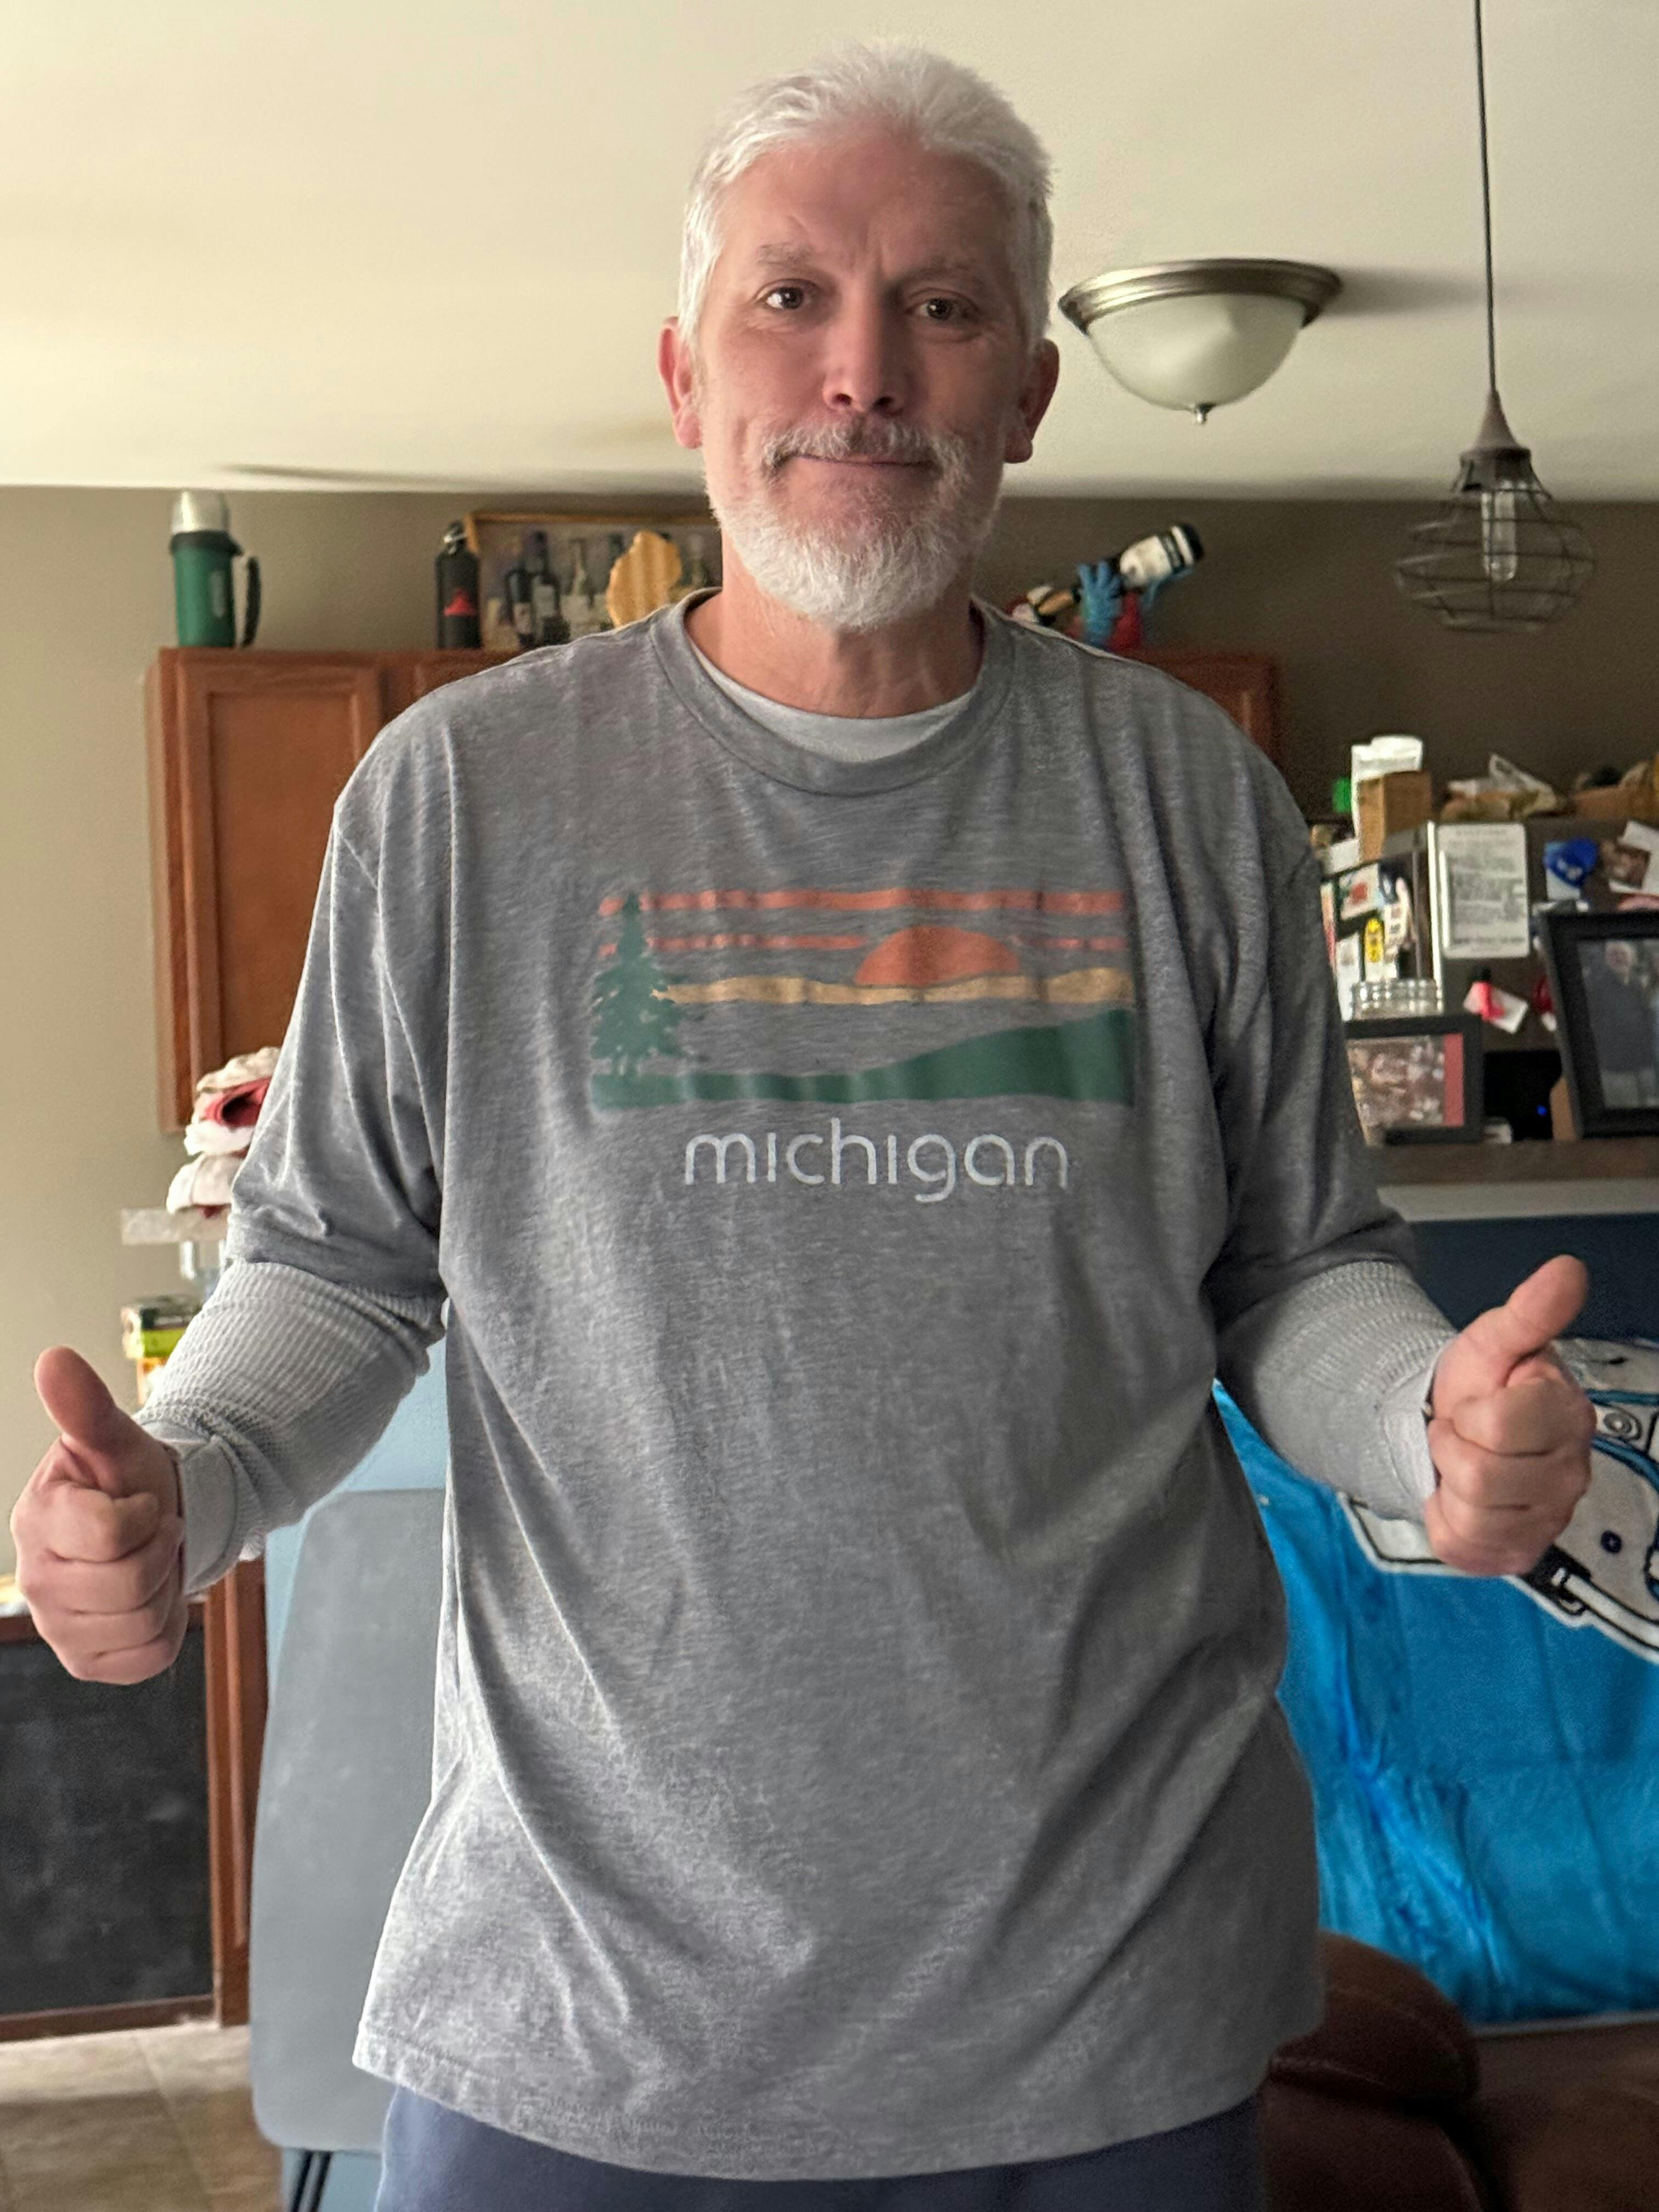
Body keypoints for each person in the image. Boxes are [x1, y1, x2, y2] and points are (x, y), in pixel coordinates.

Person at [12, 41, 1594, 2212]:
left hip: (1104, 2007)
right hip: (578, 2018)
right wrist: (185, 1487)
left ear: (1027, 392)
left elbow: (1294, 1270)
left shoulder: (1185, 800)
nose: (863, 371)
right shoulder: (460, 798)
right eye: (791, 298)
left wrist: (1424, 1422)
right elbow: (341, 1272)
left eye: (941, 306)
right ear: (685, 375)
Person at [1583, 937, 1659, 1107]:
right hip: (1616, 1069)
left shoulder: (1636, 984)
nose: (1618, 958)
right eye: (1613, 954)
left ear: (1633, 958)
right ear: (1606, 959)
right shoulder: (1596, 986)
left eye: (1623, 954)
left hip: (1644, 1065)